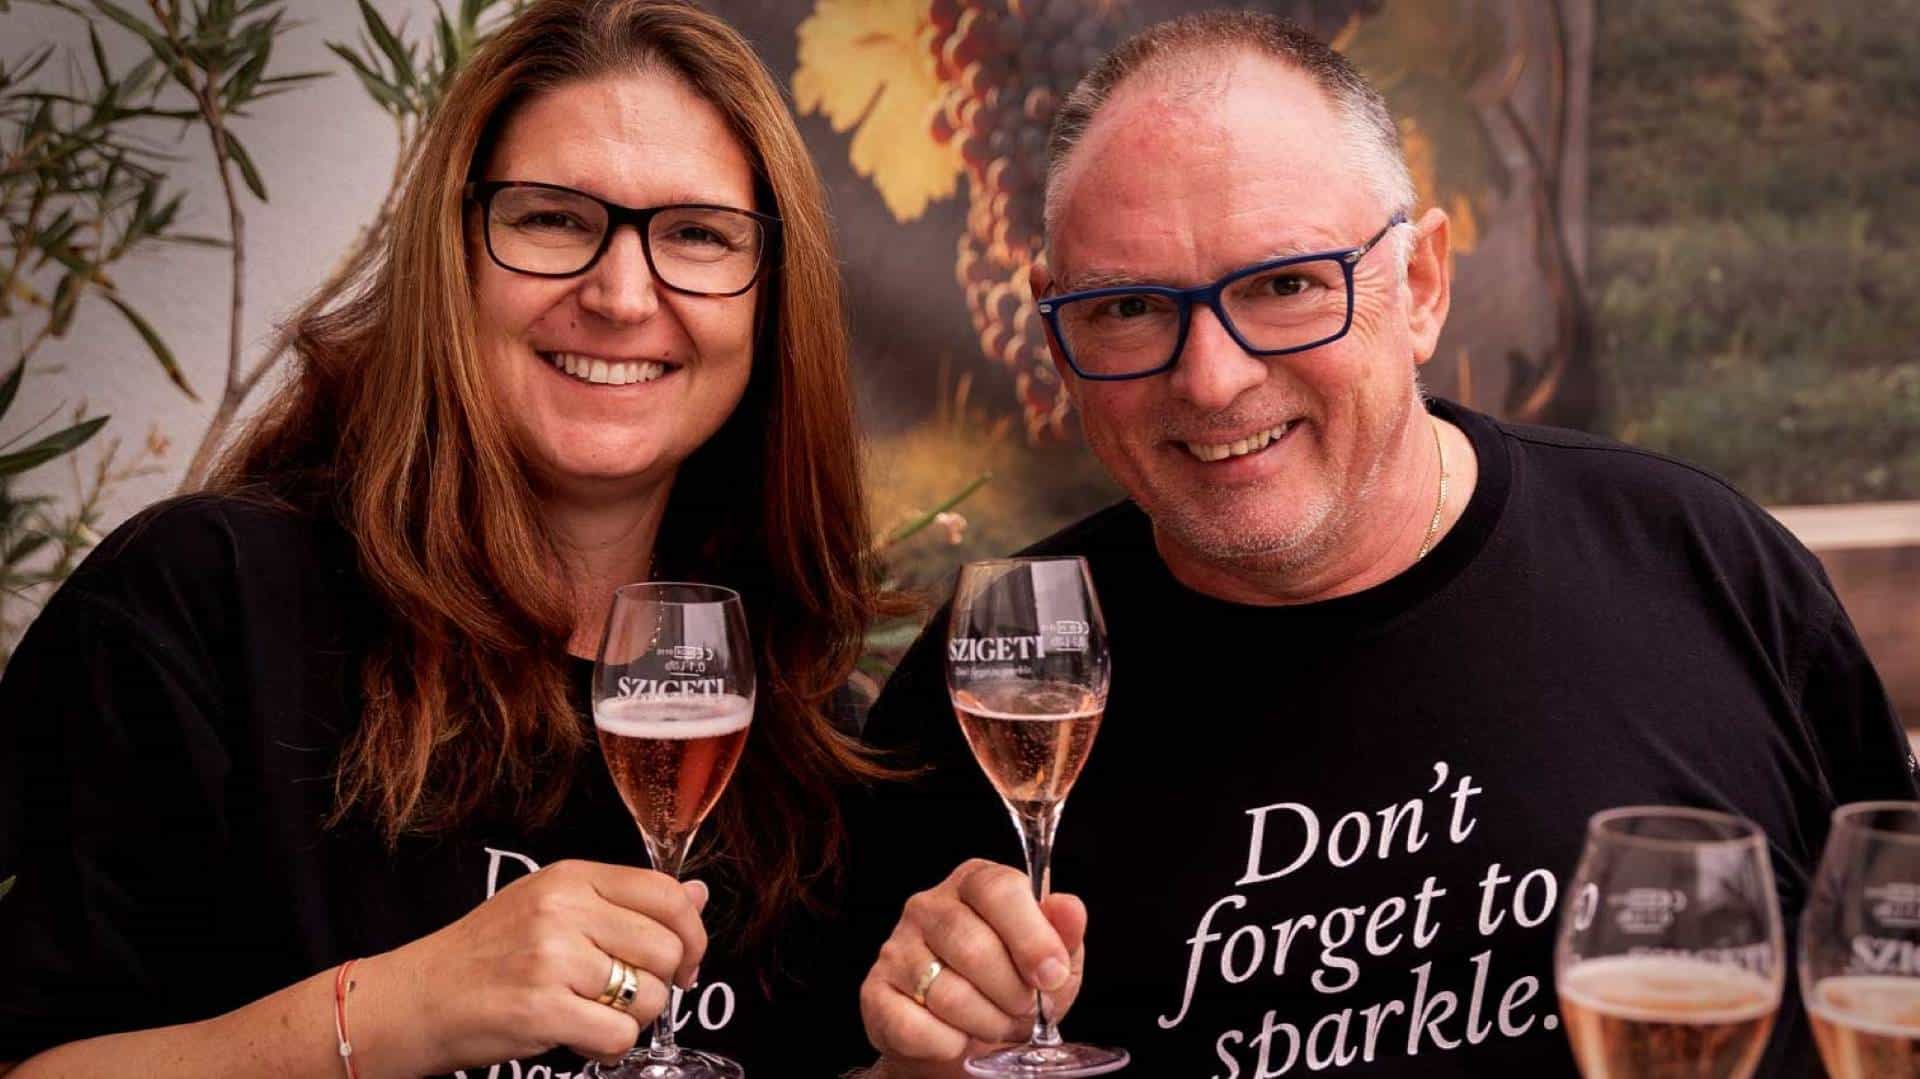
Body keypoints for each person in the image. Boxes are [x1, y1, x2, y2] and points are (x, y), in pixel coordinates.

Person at [846, 11, 1917, 1077]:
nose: (1211, 378)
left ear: (1420, 287)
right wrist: (912, 1066)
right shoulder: (997, 676)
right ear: (1057, 334)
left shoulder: (1699, 563)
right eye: (1129, 306)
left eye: (1286, 285)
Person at [0, 1, 895, 1075]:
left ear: (772, 296)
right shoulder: (198, 603)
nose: (621, 295)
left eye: (698, 235)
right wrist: (399, 1008)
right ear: (452, 252)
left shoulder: (802, 716)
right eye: (552, 218)